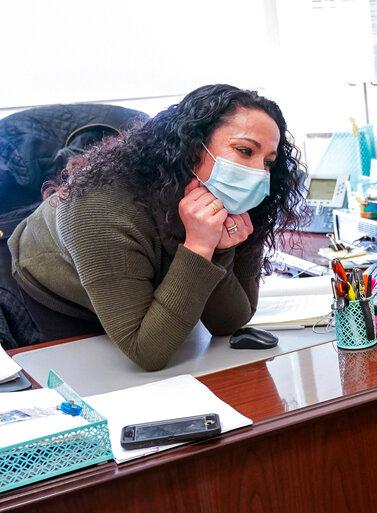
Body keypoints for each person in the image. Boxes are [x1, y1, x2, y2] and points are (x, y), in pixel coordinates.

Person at [1, 84, 307, 370]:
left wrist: (217, 250)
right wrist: (200, 246)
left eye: (268, 161)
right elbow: (147, 352)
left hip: (141, 297)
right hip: (50, 297)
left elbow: (230, 323)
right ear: (192, 146)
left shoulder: (229, 202)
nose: (259, 173)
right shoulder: (99, 207)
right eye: (244, 150)